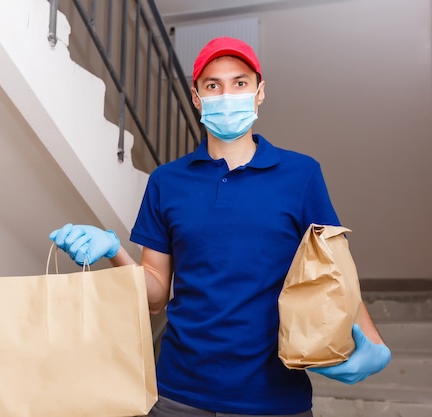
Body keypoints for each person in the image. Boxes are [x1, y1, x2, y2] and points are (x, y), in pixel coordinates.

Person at [50, 37, 391, 417]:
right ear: (196, 97)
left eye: (240, 83)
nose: (226, 95)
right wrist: (114, 251)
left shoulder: (301, 174)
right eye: (213, 85)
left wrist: (371, 338)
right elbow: (155, 296)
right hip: (178, 394)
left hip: (275, 398)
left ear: (260, 92)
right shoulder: (166, 182)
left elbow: (334, 272)